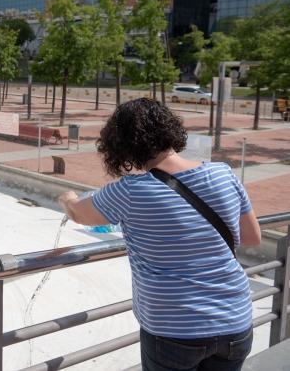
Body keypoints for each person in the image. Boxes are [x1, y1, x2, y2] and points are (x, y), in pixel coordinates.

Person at [57, 98, 261, 371]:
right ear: (171, 130)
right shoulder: (223, 174)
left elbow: (80, 214)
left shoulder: (129, 191)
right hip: (235, 322)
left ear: (122, 145)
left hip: (173, 330)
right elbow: (251, 237)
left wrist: (68, 199)